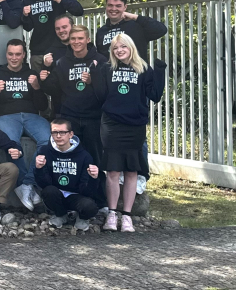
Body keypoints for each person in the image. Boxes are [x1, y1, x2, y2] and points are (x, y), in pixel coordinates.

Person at [90, 33, 166, 233]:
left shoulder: (143, 69)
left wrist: (160, 70)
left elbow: (155, 95)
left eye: (123, 46)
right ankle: (112, 214)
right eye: (115, 48)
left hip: (134, 126)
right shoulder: (107, 69)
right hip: (112, 125)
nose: (119, 50)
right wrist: (94, 74)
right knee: (113, 171)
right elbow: (101, 96)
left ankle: (127, 216)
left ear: (131, 47)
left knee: (131, 171)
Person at [0, 39, 50, 211]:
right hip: (6, 117)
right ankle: (24, 185)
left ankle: (27, 183)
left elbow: (43, 106)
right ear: (6, 55)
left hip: (31, 116)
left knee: (48, 140)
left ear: (24, 55)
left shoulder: (32, 73)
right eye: (10, 54)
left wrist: (37, 88)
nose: (14, 58)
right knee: (12, 144)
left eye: (18, 54)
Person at [40, 24, 105, 165]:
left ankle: (96, 180)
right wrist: (44, 79)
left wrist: (93, 80)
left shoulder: (100, 60)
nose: (76, 42)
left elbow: (106, 90)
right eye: (73, 39)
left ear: (88, 40)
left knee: (94, 159)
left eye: (80, 38)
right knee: (71, 159)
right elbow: (53, 90)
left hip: (93, 117)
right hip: (70, 117)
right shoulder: (62, 62)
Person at [35, 119, 100, 231]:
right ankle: (61, 215)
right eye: (55, 132)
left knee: (90, 206)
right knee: (48, 191)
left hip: (77, 196)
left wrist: (93, 178)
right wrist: (39, 169)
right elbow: (43, 184)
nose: (58, 136)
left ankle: (82, 218)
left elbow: (88, 192)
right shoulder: (44, 151)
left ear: (71, 134)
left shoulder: (84, 156)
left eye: (62, 132)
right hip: (56, 195)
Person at [21, 0, 84, 70]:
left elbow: (79, 11)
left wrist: (63, 1)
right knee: (39, 79)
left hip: (60, 49)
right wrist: (25, 16)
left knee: (61, 78)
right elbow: (28, 27)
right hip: (39, 51)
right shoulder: (28, 0)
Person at [95, 0, 167, 63]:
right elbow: (100, 57)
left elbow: (162, 30)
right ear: (106, 6)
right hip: (110, 70)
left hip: (136, 69)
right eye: (110, 5)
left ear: (125, 7)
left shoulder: (137, 26)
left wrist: (136, 17)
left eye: (118, 6)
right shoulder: (101, 32)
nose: (113, 9)